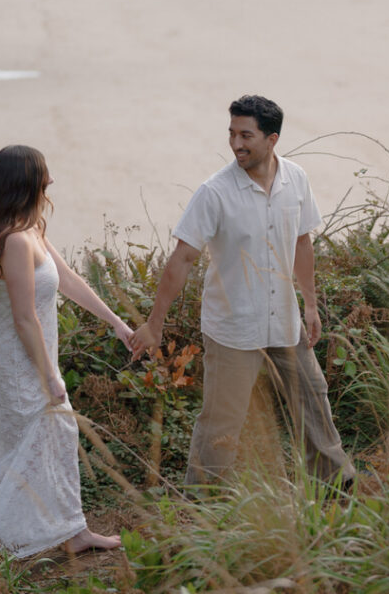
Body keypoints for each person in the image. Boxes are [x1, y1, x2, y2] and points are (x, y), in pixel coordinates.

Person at [131, 95, 355, 488]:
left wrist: (310, 305)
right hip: (233, 329)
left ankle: (336, 485)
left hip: (285, 322)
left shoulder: (296, 179)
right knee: (222, 421)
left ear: (272, 139)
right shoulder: (214, 192)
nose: (236, 144)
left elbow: (302, 243)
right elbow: (183, 258)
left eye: (246, 135)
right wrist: (155, 323)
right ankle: (203, 500)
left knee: (313, 400)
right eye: (232, 133)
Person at [0, 145, 134, 558]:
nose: (50, 180)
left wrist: (116, 322)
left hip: (31, 352)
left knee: (51, 437)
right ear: (24, 183)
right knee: (35, 442)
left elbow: (67, 279)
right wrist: (50, 376)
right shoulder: (15, 241)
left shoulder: (31, 228)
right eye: (43, 174)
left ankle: (70, 530)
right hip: (16, 357)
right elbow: (23, 318)